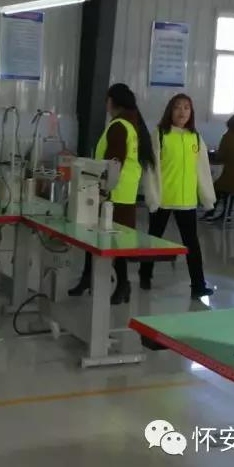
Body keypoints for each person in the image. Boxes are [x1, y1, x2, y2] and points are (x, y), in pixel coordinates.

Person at [68, 83, 155, 305]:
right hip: (124, 193)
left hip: (113, 194)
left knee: (114, 241)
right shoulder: (131, 125)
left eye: (107, 100)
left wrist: (102, 189)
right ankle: (90, 278)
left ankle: (122, 283)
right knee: (103, 238)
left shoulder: (119, 126)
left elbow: (113, 164)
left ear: (113, 101)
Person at [138, 94, 216, 300]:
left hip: (186, 200)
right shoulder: (160, 134)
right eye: (177, 107)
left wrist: (207, 197)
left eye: (186, 108)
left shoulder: (195, 137)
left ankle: (198, 285)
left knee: (192, 244)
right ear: (170, 111)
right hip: (163, 199)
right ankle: (145, 274)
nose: (182, 112)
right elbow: (151, 169)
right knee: (154, 238)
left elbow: (202, 170)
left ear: (191, 112)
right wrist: (152, 196)